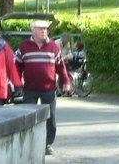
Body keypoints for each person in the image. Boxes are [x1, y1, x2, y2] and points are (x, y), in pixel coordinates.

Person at [15, 20, 71, 157]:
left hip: (49, 88)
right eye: (41, 29)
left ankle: (47, 144)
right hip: (30, 88)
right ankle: (27, 143)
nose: (44, 31)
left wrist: (66, 81)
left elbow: (61, 66)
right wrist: (17, 84)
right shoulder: (24, 46)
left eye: (46, 29)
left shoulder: (53, 46)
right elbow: (17, 66)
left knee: (50, 118)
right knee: (27, 117)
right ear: (33, 30)